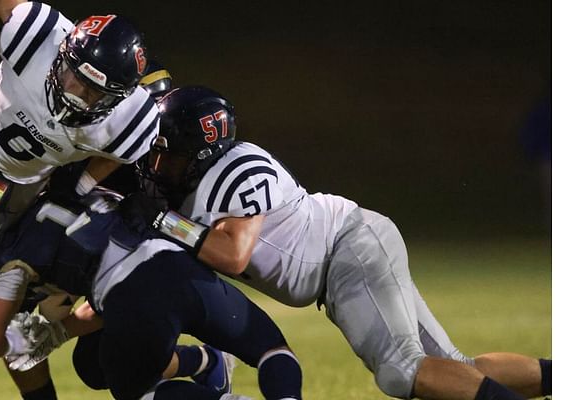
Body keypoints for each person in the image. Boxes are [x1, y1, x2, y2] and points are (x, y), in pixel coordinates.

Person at [119, 85, 551, 400]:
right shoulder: (183, 184)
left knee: (402, 372)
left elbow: (233, 255)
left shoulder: (239, 168)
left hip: (349, 248)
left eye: (168, 155)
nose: (157, 165)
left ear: (200, 154)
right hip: (346, 256)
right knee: (455, 369)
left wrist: (161, 220)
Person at [0, 1, 160, 398]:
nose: (76, 94)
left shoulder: (132, 121)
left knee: (16, 309)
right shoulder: (38, 32)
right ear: (63, 52)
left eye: (94, 92)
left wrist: (73, 191)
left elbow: (117, 158)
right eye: (74, 77)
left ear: (119, 97)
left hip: (25, 191)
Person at [0, 186, 304, 400]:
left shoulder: (15, 250)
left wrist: (30, 339)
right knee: (270, 347)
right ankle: (210, 362)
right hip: (183, 266)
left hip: (130, 294)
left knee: (136, 390)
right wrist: (59, 331)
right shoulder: (82, 181)